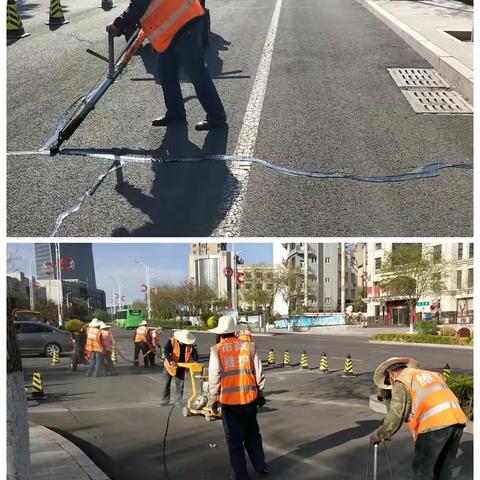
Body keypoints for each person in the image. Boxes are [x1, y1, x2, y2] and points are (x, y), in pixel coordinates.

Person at [106, 0, 227, 131]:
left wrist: (118, 24)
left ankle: (217, 116)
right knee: (166, 71)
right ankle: (176, 114)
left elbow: (139, 4)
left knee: (195, 71)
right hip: (173, 26)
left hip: (184, 21)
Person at [370, 357, 468, 480]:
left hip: (434, 423)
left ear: (390, 375)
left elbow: (397, 412)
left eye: (389, 383)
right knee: (443, 469)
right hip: (457, 420)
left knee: (422, 472)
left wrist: (381, 434)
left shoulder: (401, 380)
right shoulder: (430, 374)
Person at [208, 315, 268, 480]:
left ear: (220, 333)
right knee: (253, 435)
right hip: (249, 400)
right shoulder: (249, 347)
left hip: (229, 403)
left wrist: (213, 399)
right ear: (234, 331)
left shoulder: (217, 350)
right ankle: (261, 465)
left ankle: (241, 475)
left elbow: (214, 378)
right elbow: (259, 373)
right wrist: (260, 392)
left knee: (235, 441)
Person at [161, 329, 198, 406]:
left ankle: (178, 401)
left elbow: (194, 353)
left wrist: (195, 361)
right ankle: (165, 400)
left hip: (182, 366)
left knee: (180, 384)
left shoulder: (189, 344)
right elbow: (166, 351)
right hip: (170, 366)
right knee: (166, 384)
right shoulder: (172, 341)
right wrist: (170, 360)